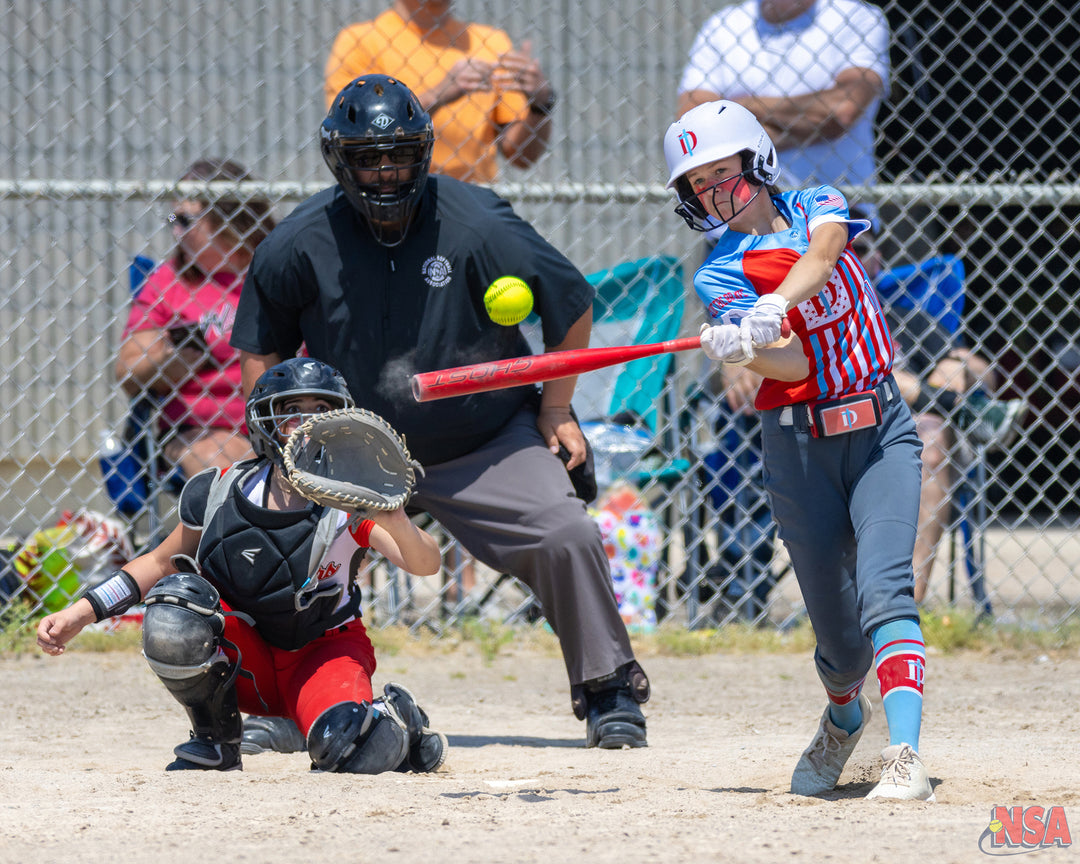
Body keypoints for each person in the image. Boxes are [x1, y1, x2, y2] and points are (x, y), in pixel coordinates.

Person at [230, 74, 649, 751]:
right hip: (349, 453)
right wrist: (278, 448)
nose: (386, 171)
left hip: (482, 439)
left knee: (565, 532)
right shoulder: (301, 239)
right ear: (339, 160)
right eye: (369, 158)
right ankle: (277, 704)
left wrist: (557, 409)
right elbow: (260, 347)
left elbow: (570, 304)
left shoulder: (475, 221)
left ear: (423, 152)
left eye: (399, 155)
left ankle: (608, 689)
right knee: (269, 543)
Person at [665, 99, 934, 800]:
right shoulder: (719, 274)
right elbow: (795, 365)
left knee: (886, 587)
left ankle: (905, 755)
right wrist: (743, 347)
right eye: (698, 183)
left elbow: (823, 254)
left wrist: (773, 304)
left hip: (880, 429)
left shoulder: (818, 202)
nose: (713, 190)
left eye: (722, 171)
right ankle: (843, 719)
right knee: (840, 645)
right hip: (799, 448)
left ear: (756, 159)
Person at [37, 357, 447, 775]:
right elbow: (158, 563)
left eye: (321, 410)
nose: (307, 421)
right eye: (292, 410)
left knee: (350, 750)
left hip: (321, 652)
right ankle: (216, 740)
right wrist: (80, 613)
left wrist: (395, 517)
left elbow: (425, 564)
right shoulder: (221, 489)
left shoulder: (349, 500)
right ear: (264, 419)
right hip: (246, 660)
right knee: (176, 603)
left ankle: (396, 719)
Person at [850, 209, 1028, 602]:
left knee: (930, 438)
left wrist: (959, 365)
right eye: (839, 249)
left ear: (877, 260)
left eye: (860, 249)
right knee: (887, 383)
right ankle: (963, 410)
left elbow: (989, 376)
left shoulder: (905, 319)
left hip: (912, 434)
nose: (851, 257)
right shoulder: (816, 321)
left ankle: (903, 607)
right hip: (847, 425)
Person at [115, 158, 276, 478]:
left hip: (285, 420)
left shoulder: (278, 269)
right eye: (172, 219)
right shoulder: (169, 281)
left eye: (184, 220)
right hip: (198, 428)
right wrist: (166, 362)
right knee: (225, 461)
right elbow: (127, 368)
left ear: (227, 220)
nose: (175, 231)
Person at [677, 0, 888, 221]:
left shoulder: (856, 16)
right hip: (738, 219)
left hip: (834, 212)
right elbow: (693, 127)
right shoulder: (723, 25)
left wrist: (744, 107)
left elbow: (842, 110)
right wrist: (808, 125)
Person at [324, 0, 555, 185]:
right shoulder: (361, 41)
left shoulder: (491, 43)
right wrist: (437, 95)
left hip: (472, 201)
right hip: (391, 195)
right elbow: (352, 135)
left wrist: (540, 105)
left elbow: (522, 157)